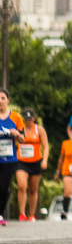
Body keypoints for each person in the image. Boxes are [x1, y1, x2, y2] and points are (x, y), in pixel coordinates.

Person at [16, 108, 48, 221]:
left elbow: (45, 146)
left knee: (33, 189)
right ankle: (22, 214)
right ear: (23, 119)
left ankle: (32, 214)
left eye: (30, 118)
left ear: (34, 118)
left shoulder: (39, 129)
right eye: (26, 118)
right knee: (21, 186)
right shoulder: (19, 129)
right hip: (21, 162)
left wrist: (45, 160)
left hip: (36, 161)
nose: (28, 120)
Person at [0, 88, 26, 226]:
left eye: (3, 98)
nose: (0, 101)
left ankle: (0, 214)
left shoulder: (16, 117)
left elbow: (23, 139)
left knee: (4, 187)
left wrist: (16, 134)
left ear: (8, 101)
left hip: (9, 158)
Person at [54, 131, 72, 219]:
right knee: (68, 191)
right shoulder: (66, 143)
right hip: (67, 171)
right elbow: (61, 158)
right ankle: (65, 211)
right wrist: (58, 172)